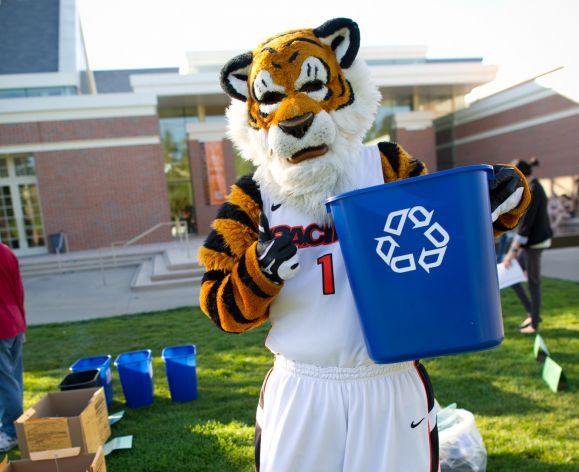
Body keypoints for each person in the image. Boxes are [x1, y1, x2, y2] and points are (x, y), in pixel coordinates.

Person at [199, 18, 530, 471]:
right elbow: (218, 305)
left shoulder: (386, 164)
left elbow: (445, 240)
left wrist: (491, 207)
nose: (294, 115)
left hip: (389, 382)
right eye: (273, 98)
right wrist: (258, 273)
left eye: (312, 87)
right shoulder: (252, 195)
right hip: (303, 387)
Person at [503, 158, 552, 334]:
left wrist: (511, 253)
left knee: (533, 283)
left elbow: (526, 226)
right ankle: (533, 313)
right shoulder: (533, 188)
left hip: (535, 243)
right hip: (531, 242)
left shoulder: (534, 190)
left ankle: (534, 324)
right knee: (513, 276)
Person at [0, 243, 26, 452]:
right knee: (14, 380)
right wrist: (22, 323)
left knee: (6, 383)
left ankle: (12, 432)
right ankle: (12, 427)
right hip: (14, 321)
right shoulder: (6, 252)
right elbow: (19, 290)